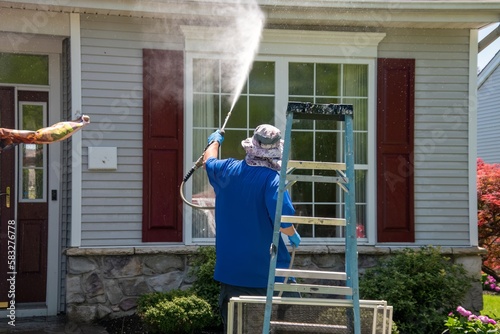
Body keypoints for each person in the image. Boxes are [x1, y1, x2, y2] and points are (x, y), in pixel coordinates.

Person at [203, 124, 301, 331]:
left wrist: (214, 140)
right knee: (292, 326)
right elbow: (283, 222)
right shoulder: (274, 180)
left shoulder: (226, 170)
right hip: (270, 275)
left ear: (252, 146)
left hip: (232, 274)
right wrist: (293, 234)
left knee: (237, 328)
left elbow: (208, 161)